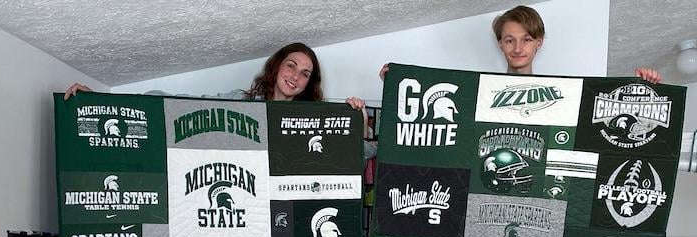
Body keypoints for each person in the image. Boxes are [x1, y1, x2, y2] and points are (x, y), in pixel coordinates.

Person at [65, 41, 374, 158]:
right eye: (291, 65)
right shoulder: (241, 102)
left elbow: (357, 154)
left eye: (305, 73)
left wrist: (358, 121)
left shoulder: (313, 120)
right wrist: (108, 100)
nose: (295, 75)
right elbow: (177, 102)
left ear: (310, 83)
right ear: (277, 65)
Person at [379, 5, 661, 84]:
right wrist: (395, 84)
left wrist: (643, 88)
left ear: (539, 43)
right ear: (500, 45)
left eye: (526, 40)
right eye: (509, 40)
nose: (517, 48)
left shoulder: (559, 93)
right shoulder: (479, 90)